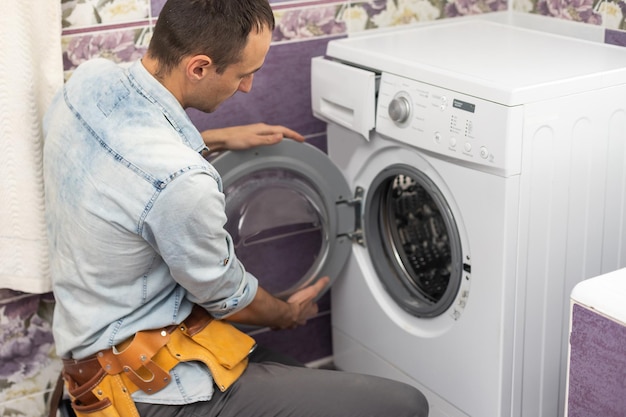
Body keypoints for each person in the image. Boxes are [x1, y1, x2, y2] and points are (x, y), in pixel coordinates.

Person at [43, 0, 429, 416]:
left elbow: (125, 167)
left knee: (303, 376)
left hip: (99, 358)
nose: (246, 87)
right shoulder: (183, 182)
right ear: (199, 67)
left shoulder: (88, 81)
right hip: (145, 392)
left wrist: (217, 138)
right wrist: (287, 314)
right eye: (244, 74)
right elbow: (229, 298)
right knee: (403, 404)